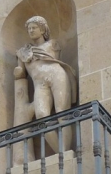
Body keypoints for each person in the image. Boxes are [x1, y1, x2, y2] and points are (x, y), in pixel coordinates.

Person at [14, 16, 77, 153]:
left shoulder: (52, 44)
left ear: (42, 29)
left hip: (57, 76)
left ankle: (65, 152)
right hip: (39, 84)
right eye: (29, 28)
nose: (31, 31)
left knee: (62, 113)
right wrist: (17, 69)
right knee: (41, 115)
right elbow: (20, 72)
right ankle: (60, 151)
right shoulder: (23, 52)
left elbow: (56, 61)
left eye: (34, 28)